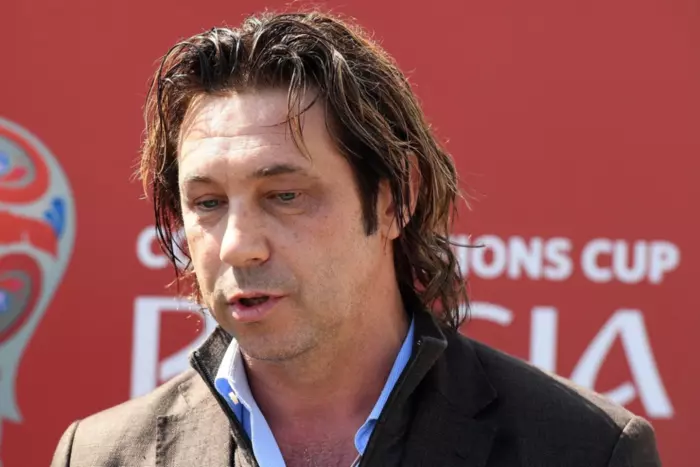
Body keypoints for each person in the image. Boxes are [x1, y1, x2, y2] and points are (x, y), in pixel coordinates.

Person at [51, 10, 661, 467]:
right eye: (207, 203)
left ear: (396, 199)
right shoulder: (102, 455)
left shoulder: (585, 449)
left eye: (285, 195)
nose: (237, 245)